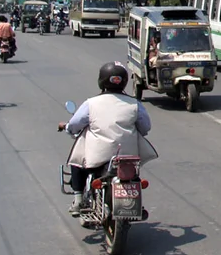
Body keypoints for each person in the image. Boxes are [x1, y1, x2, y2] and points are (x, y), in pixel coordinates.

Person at [58, 62, 154, 216]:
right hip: (128, 157)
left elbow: (75, 124)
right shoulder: (135, 104)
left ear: (101, 80)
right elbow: (145, 127)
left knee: (77, 161)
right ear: (124, 81)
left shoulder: (91, 104)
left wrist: (67, 127)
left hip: (98, 157)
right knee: (133, 176)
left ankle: (77, 200)